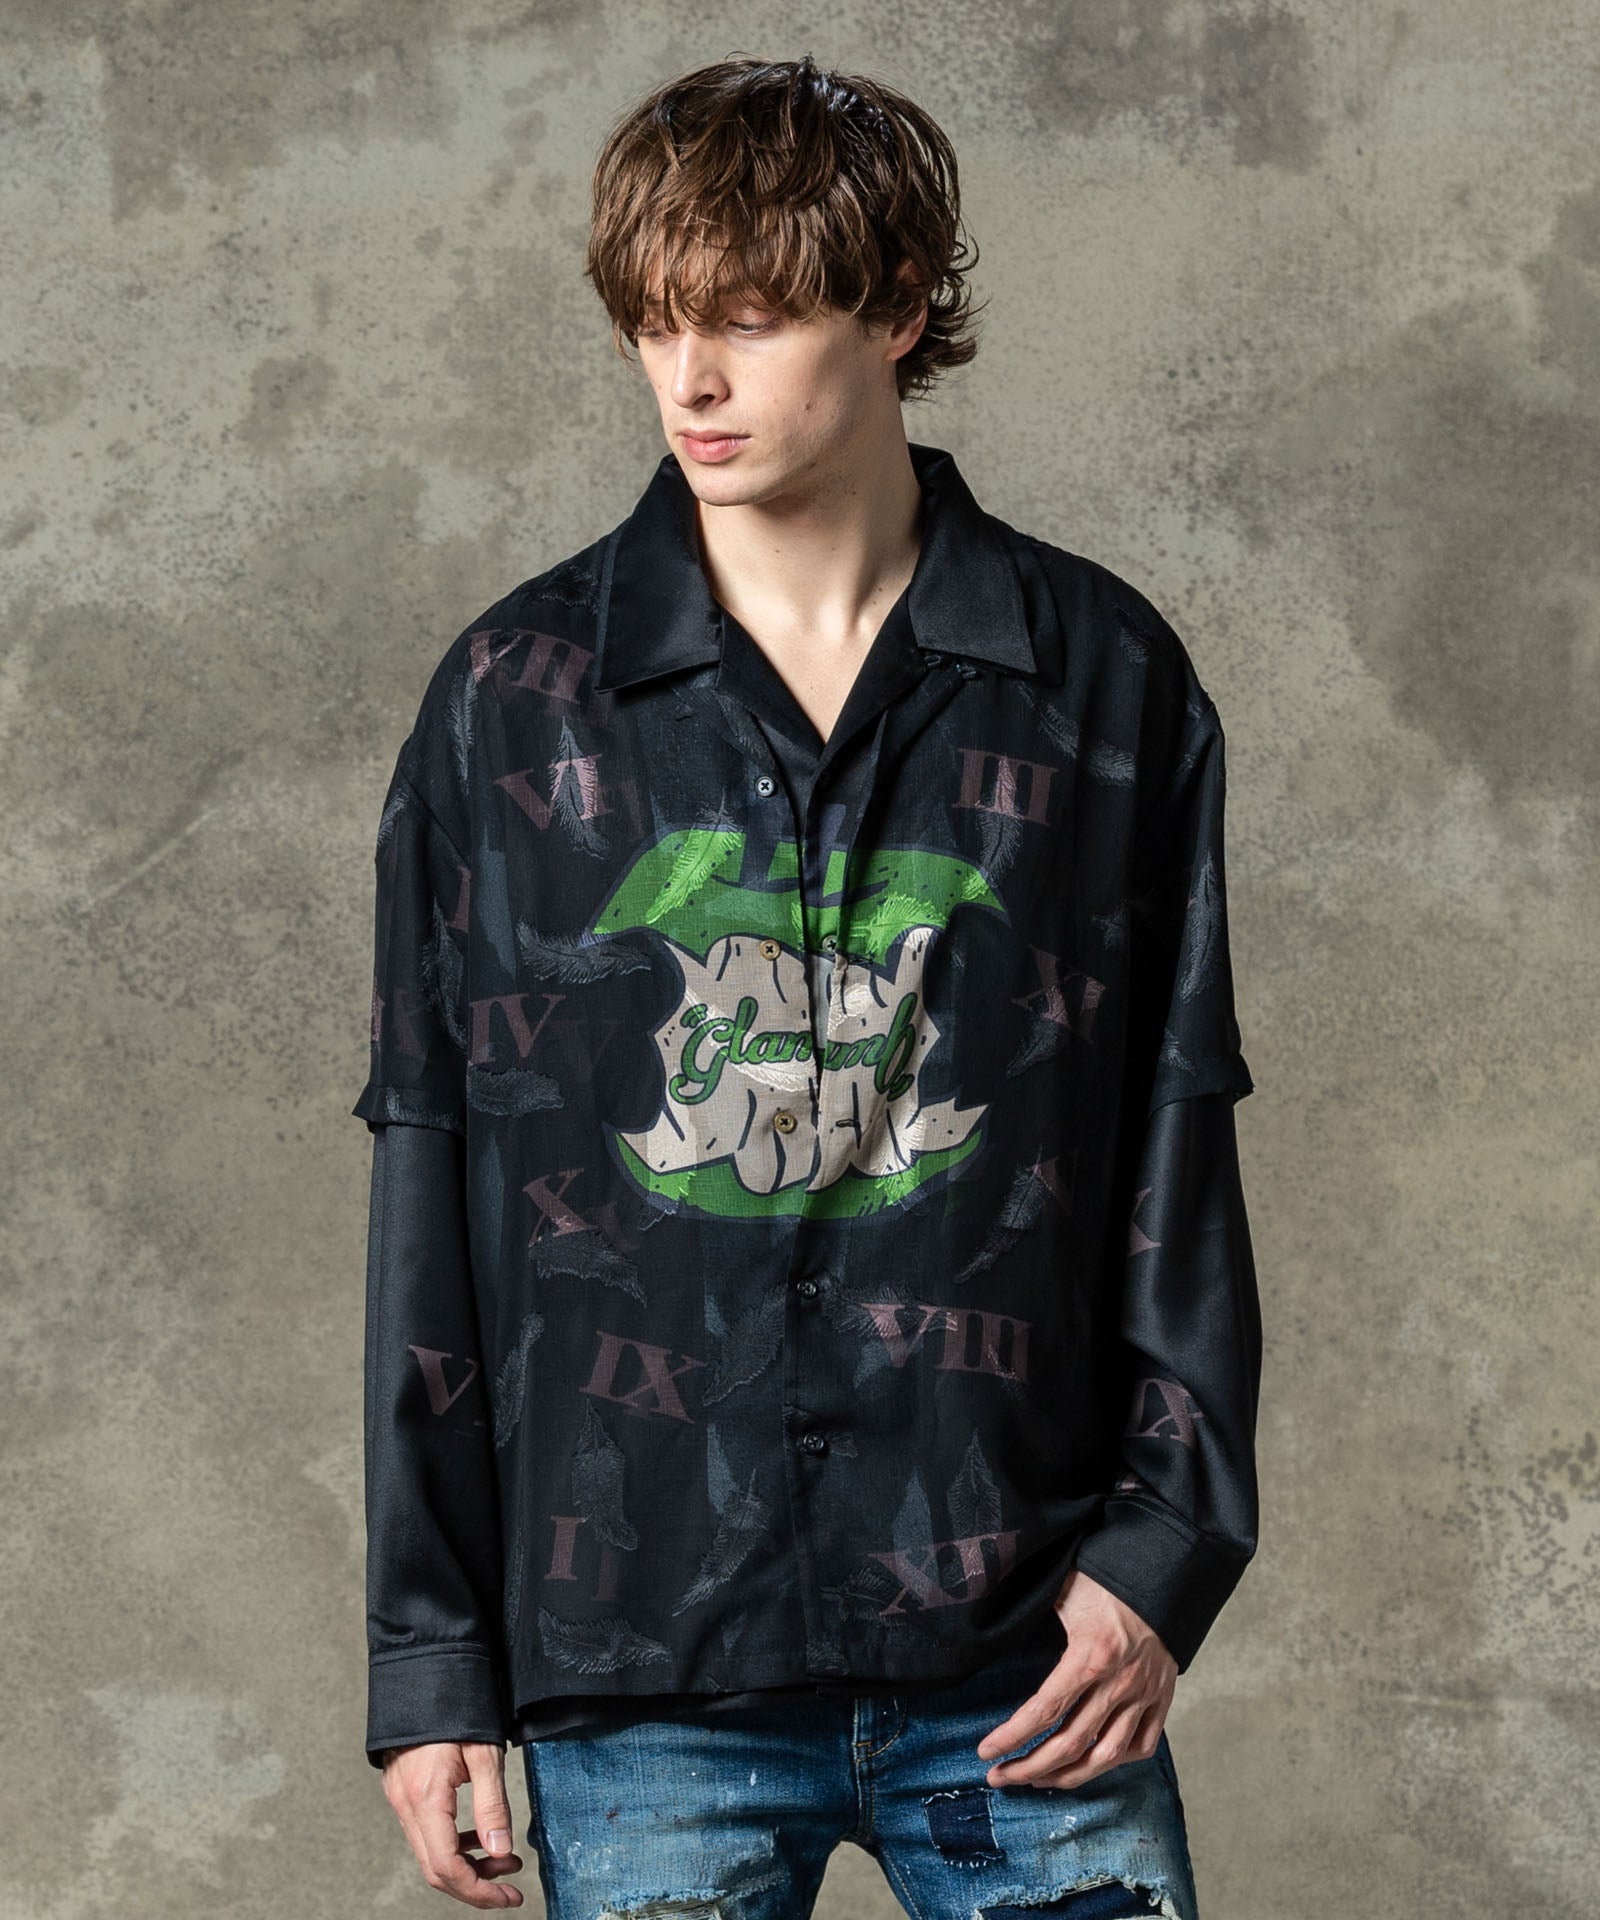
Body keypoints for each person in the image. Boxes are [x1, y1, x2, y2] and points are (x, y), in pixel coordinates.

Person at [356, 52, 1262, 1920]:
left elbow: (1176, 1150)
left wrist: (1166, 1550)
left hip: (1030, 1658)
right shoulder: (511, 704)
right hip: (640, 1667)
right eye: (654, 323)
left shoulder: (1103, 682)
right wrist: (430, 1665)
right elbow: (433, 1187)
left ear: (899, 307)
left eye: (750, 321)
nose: (689, 379)